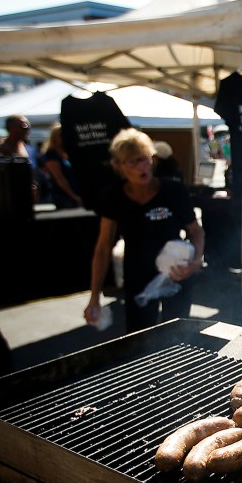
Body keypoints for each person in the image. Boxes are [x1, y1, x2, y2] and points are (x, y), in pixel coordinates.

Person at [85, 129, 204, 333]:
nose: (142, 167)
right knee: (140, 335)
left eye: (145, 159)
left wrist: (194, 264)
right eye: (132, 162)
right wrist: (94, 296)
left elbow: (196, 231)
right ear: (118, 167)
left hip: (175, 268)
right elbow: (103, 247)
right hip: (137, 272)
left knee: (178, 332)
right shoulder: (113, 197)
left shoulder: (173, 191)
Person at [39, 123, 83, 209]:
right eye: (60, 135)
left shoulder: (68, 153)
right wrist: (74, 196)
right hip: (63, 196)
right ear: (54, 138)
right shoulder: (51, 154)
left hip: (75, 192)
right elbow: (59, 178)